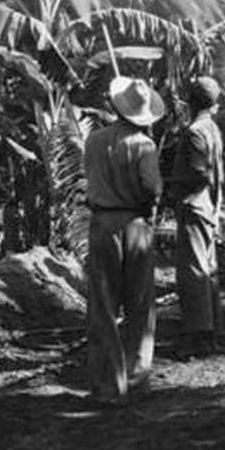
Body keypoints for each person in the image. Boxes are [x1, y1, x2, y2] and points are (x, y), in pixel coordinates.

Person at [84, 76, 165, 406]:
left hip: (102, 223)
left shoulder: (94, 140)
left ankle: (108, 384)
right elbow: (153, 188)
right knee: (140, 302)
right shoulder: (144, 146)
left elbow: (89, 176)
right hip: (134, 223)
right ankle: (136, 376)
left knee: (103, 305)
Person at [170, 77, 225, 359]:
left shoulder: (194, 132)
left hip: (194, 205)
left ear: (191, 102)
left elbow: (199, 172)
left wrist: (176, 188)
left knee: (193, 272)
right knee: (207, 269)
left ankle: (198, 335)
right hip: (207, 205)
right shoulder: (212, 128)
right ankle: (211, 327)